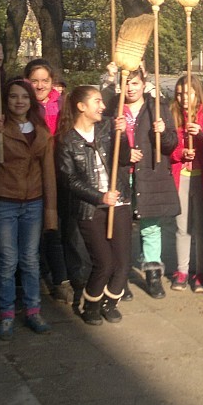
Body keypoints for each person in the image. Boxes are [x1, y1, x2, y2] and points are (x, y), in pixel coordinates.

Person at [0, 78, 59, 340]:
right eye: (13, 96)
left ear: (31, 101)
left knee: (30, 259)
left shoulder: (41, 130)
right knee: (8, 260)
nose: (19, 101)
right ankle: (6, 313)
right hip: (4, 201)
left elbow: (49, 174)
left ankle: (33, 310)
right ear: (6, 100)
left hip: (33, 202)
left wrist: (50, 212)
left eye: (24, 96)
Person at [56, 86, 129, 324]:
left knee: (122, 262)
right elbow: (69, 180)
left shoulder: (108, 127)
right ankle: (91, 304)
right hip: (90, 208)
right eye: (97, 101)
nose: (103, 106)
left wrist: (123, 135)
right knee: (104, 263)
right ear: (81, 106)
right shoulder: (67, 140)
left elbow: (124, 158)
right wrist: (99, 197)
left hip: (119, 202)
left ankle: (110, 302)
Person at [105, 68, 179, 299]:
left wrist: (163, 132)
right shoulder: (113, 106)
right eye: (126, 83)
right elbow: (103, 142)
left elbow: (170, 145)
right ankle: (121, 277)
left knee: (150, 226)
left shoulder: (157, 107)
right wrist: (122, 146)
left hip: (149, 173)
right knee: (121, 227)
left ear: (144, 84)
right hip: (121, 174)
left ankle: (153, 275)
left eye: (135, 83)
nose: (130, 88)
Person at [170, 75, 203, 292]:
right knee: (182, 227)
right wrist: (181, 152)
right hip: (181, 177)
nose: (183, 98)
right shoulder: (172, 115)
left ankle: (200, 272)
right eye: (179, 93)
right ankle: (182, 270)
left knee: (201, 228)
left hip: (202, 178)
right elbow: (167, 147)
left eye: (188, 93)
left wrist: (200, 135)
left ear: (197, 93)